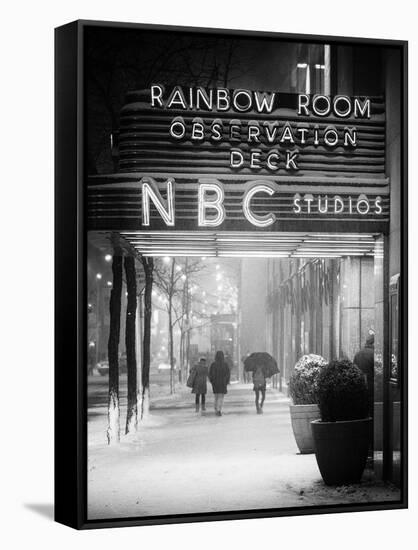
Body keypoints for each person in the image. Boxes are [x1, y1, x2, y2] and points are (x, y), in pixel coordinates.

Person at [353, 333, 374, 413]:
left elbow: (354, 369)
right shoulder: (374, 354)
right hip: (371, 385)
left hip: (360, 385)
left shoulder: (358, 354)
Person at [209, 350, 230, 416]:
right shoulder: (225, 364)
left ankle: (216, 408)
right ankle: (218, 409)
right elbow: (228, 374)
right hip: (222, 383)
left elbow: (210, 374)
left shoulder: (213, 364)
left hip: (215, 383)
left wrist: (212, 381)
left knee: (216, 396)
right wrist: (226, 381)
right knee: (221, 397)